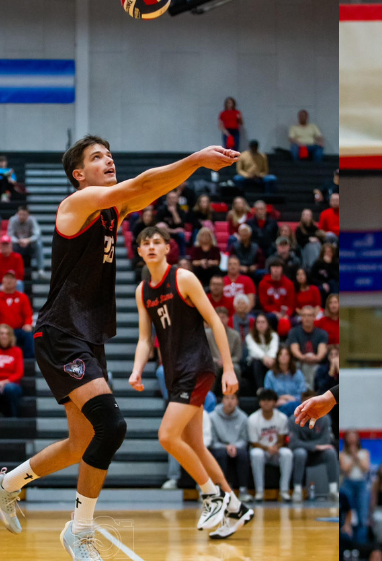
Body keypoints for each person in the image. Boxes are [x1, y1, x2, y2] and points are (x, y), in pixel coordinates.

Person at [0, 135, 238, 559]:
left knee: (81, 443)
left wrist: (191, 169)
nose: (109, 160)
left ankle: (4, 485)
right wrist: (195, 159)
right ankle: (79, 530)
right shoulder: (77, 205)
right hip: (62, 332)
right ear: (78, 174)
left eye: (110, 155)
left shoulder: (110, 211)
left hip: (87, 336)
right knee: (112, 427)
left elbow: (149, 189)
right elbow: (138, 188)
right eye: (98, 157)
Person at [130, 226, 252, 539]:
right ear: (140, 252)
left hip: (197, 368)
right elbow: (145, 338)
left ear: (168, 248)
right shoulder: (143, 291)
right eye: (146, 244)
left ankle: (211, 496)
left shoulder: (183, 278)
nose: (152, 247)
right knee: (195, 445)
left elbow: (214, 320)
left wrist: (228, 368)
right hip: (173, 373)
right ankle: (235, 506)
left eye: (157, 242)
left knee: (167, 436)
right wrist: (136, 369)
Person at [289, 390, 338, 501]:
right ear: (301, 403)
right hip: (300, 455)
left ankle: (333, 491)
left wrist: (314, 447)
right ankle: (297, 490)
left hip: (318, 455)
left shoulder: (324, 418)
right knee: (300, 453)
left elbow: (326, 440)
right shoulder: (293, 420)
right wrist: (315, 446)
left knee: (330, 452)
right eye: (306, 402)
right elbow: (293, 443)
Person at [248, 388, 294, 502]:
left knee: (287, 453)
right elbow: (254, 442)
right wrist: (267, 448)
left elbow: (282, 439)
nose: (266, 403)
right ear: (259, 402)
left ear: (274, 402)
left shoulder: (281, 418)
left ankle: (284, 491)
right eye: (263, 400)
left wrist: (276, 447)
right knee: (256, 454)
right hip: (261, 449)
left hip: (276, 450)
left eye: (269, 400)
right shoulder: (252, 419)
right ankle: (259, 492)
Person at [209, 392, 253, 502]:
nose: (229, 401)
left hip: (236, 446)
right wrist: (225, 446)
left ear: (237, 401)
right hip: (220, 447)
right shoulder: (213, 417)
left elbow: (244, 439)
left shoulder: (243, 417)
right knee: (220, 454)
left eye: (233, 398)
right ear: (222, 400)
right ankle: (221, 490)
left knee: (243, 455)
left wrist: (234, 446)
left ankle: (243, 490)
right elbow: (212, 440)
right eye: (227, 398)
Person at [0, 271, 34, 358]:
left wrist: (28, 324)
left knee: (28, 334)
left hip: (18, 330)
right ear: (3, 281)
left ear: (16, 282)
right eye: (7, 278)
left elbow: (28, 315)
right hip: (1, 330)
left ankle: (29, 360)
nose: (9, 281)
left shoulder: (23, 297)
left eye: (11, 278)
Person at [340, 430, 371, 542]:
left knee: (362, 514)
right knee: (346, 513)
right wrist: (353, 457)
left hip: (361, 484)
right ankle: (346, 539)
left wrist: (356, 456)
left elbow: (365, 468)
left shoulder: (364, 452)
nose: (352, 439)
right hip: (348, 484)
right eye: (350, 437)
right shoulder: (342, 454)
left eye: (354, 437)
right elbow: (346, 470)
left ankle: (361, 541)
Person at [287, 306, 328, 387]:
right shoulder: (294, 332)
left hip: (316, 364)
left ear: (314, 317)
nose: (307, 318)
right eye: (304, 315)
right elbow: (295, 350)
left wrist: (315, 358)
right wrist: (303, 357)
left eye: (309, 315)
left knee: (317, 369)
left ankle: (310, 391)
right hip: (299, 363)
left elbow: (321, 352)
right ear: (301, 317)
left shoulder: (322, 333)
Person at [204, 307, 242, 396]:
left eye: (223, 317)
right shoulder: (207, 334)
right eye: (218, 317)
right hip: (213, 362)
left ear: (228, 319)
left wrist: (226, 362)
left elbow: (238, 356)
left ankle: (232, 397)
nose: (221, 319)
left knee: (236, 369)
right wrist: (216, 360)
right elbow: (204, 353)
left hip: (230, 363)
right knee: (211, 367)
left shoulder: (235, 335)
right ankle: (208, 397)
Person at [265, 347, 307, 417]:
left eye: (286, 354)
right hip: (277, 405)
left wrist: (288, 398)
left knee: (294, 406)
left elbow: (302, 394)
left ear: (290, 357)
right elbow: (268, 394)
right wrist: (278, 400)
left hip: (295, 404)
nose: (283, 357)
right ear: (277, 357)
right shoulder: (270, 375)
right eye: (281, 354)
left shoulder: (298, 374)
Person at [8, 205, 47, 279]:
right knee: (9, 245)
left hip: (29, 245)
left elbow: (37, 234)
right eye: (20, 214)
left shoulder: (32, 220)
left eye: (24, 215)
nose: (22, 216)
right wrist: (18, 241)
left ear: (28, 215)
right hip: (17, 245)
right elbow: (10, 235)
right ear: (17, 214)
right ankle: (12, 270)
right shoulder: (12, 220)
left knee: (38, 244)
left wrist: (28, 240)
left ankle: (40, 270)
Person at [259, 260, 295, 336]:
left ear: (282, 269)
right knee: (270, 318)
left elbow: (290, 304)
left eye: (278, 267)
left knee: (294, 321)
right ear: (270, 269)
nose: (276, 269)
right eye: (273, 267)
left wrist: (286, 315)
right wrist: (275, 312)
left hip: (285, 313)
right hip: (270, 313)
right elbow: (264, 304)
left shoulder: (289, 284)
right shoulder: (263, 284)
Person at [246, 314, 278, 394]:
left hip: (270, 362)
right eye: (258, 322)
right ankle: (260, 389)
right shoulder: (250, 336)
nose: (261, 324)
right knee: (257, 362)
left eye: (263, 322)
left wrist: (270, 358)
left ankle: (274, 389)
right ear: (255, 324)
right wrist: (265, 358)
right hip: (253, 364)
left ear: (267, 324)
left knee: (277, 362)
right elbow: (254, 350)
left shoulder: (274, 335)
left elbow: (274, 349)